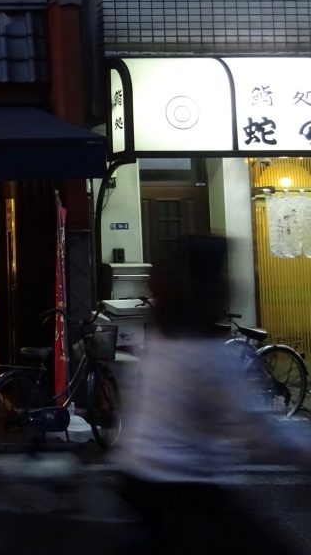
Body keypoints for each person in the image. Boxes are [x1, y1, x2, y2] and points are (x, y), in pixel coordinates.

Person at [113, 235, 311, 555]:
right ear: (211, 287)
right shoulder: (210, 356)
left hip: (138, 481)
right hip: (188, 492)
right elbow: (256, 425)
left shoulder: (159, 341)